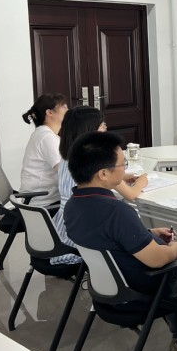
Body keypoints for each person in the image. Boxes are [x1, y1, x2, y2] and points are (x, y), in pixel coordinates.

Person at [64, 131, 177, 351]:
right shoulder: (116, 211)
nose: (125, 169)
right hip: (144, 289)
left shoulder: (73, 206)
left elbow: (106, 238)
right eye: (122, 164)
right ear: (103, 173)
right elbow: (157, 260)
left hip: (110, 290)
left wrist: (147, 234)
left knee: (170, 261)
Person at [50, 106, 148, 266]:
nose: (105, 129)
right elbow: (131, 194)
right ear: (90, 131)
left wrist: (122, 175)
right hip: (82, 242)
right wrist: (142, 181)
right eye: (102, 126)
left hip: (66, 230)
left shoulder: (69, 158)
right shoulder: (93, 164)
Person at [20, 93, 68, 208]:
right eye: (64, 106)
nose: (68, 109)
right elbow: (64, 171)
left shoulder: (46, 134)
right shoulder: (46, 137)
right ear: (49, 112)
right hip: (43, 204)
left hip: (47, 199)